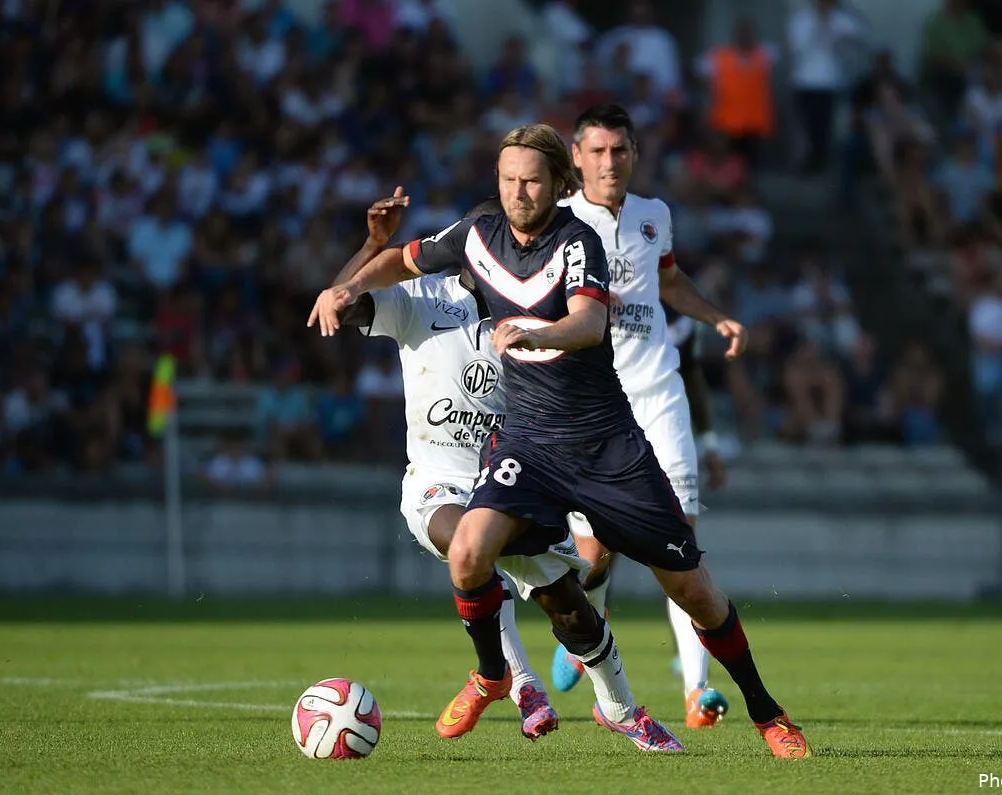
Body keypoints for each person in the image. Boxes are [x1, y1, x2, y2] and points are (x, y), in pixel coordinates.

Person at [313, 123, 810, 758]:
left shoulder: (577, 242)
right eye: (508, 180)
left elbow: (589, 323)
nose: (518, 192)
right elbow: (401, 260)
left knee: (694, 593)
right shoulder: (476, 235)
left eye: (531, 181)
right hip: (528, 447)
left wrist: (536, 333)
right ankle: (497, 675)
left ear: (558, 184)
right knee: (468, 551)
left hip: (604, 444)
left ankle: (766, 711)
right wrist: (350, 283)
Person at [317, 191, 679, 751]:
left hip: (516, 480)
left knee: (570, 609)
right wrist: (372, 246)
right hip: (437, 480)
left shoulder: (539, 310)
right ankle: (514, 681)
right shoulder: (419, 296)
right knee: (468, 544)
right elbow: (341, 303)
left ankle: (622, 711)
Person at [555, 103, 746, 731]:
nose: (610, 162)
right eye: (598, 151)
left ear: (635, 154)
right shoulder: (559, 223)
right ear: (577, 157)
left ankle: (697, 690)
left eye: (620, 150)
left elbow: (668, 281)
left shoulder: (654, 216)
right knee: (594, 556)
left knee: (682, 543)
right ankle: (586, 633)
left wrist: (715, 315)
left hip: (659, 396)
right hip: (593, 405)